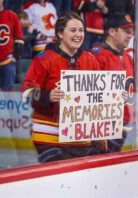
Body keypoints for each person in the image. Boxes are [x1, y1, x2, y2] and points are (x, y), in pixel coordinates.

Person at [21, 11, 107, 163]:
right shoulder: (44, 59)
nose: (78, 35)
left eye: (81, 30)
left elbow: (98, 99)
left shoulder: (91, 59)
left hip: (81, 138)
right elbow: (26, 93)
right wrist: (47, 96)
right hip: (49, 138)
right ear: (60, 34)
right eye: (72, 30)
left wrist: (100, 133)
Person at [90, 12, 135, 152]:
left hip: (124, 124)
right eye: (126, 31)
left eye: (131, 32)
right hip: (104, 127)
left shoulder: (128, 56)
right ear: (111, 32)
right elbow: (89, 94)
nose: (130, 35)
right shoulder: (96, 55)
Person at [0, 0, 24, 90]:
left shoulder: (12, 15)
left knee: (8, 95)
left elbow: (19, 38)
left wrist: (15, 57)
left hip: (8, 63)